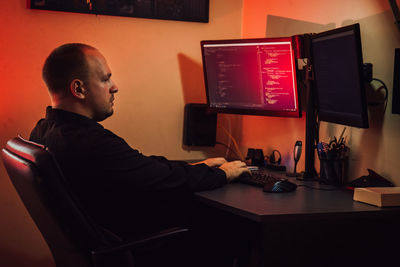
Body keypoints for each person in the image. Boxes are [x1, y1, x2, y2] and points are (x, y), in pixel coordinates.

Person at [30, 43, 250, 265]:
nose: (114, 87)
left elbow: (138, 166)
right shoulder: (91, 143)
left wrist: (195, 167)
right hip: (134, 246)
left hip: (106, 240)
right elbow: (154, 174)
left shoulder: (43, 132)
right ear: (79, 89)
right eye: (105, 79)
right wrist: (223, 174)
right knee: (233, 227)